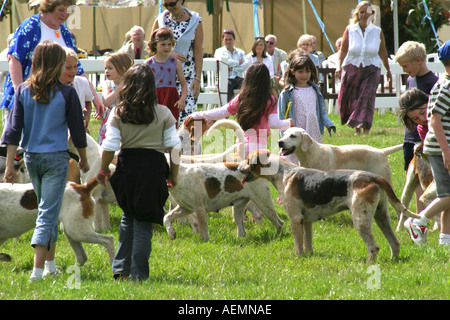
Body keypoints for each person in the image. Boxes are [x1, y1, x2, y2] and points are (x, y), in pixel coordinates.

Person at [1, 41, 89, 281]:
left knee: (47, 208)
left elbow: (12, 131)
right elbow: (77, 131)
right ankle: (37, 272)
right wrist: (83, 158)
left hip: (31, 158)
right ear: (58, 63)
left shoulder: (22, 91)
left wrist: (10, 165)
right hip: (56, 159)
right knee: (48, 213)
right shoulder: (67, 92)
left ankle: (50, 266)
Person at [96, 63, 181, 281]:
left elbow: (110, 146)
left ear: (127, 86)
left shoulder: (119, 112)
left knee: (128, 218)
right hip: (153, 171)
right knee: (143, 224)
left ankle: (121, 270)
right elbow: (174, 146)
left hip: (127, 170)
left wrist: (103, 170)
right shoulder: (163, 112)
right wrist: (174, 173)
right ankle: (139, 274)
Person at [0, 0, 104, 124]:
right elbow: (15, 59)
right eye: (61, 10)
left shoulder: (65, 34)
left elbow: (77, 69)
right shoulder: (30, 27)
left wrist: (95, 97)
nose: (65, 14)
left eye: (69, 10)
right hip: (26, 98)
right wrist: (20, 94)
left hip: (52, 104)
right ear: (48, 7)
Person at [183, 62, 293, 156]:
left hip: (240, 145)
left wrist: (197, 115)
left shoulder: (242, 97)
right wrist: (288, 123)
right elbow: (274, 124)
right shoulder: (270, 100)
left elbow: (221, 112)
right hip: (259, 148)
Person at [403, 41, 450, 246]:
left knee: (447, 195)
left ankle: (445, 240)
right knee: (448, 195)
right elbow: (434, 120)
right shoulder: (447, 86)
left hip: (441, 147)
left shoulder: (443, 82)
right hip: (441, 148)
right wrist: (446, 152)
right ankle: (418, 222)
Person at [395, 41, 439, 213]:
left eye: (405, 66)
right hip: (411, 136)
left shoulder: (433, 82)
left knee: (432, 178)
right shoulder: (410, 80)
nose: (404, 70)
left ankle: (430, 214)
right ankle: (419, 215)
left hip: (428, 138)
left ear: (418, 60)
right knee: (415, 178)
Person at [336, 1, 391, 135]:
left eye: (367, 12)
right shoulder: (350, 29)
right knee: (351, 98)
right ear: (357, 14)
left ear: (372, 14)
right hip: (352, 67)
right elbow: (343, 50)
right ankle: (357, 129)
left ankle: (365, 129)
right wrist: (338, 66)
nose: (364, 15)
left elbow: (383, 52)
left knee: (366, 98)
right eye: (361, 12)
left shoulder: (377, 31)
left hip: (371, 68)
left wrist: (388, 70)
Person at [152, 0, 203, 126]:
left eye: (172, 4)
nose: (169, 7)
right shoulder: (160, 20)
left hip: (188, 76)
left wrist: (197, 78)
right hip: (164, 79)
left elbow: (198, 51)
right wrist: (170, 54)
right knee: (165, 118)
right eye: (166, 4)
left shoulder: (195, 21)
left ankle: (189, 146)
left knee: (187, 119)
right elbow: (152, 48)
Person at [278, 55, 336, 164]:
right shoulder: (287, 92)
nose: (304, 75)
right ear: (292, 72)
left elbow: (321, 110)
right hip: (297, 127)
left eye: (307, 71)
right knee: (295, 155)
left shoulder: (315, 89)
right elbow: (281, 114)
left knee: (314, 155)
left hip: (312, 126)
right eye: (300, 71)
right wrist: (284, 134)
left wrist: (328, 123)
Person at [146, 27, 188, 124]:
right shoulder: (148, 64)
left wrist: (182, 100)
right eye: (163, 44)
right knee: (154, 125)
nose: (167, 47)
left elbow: (184, 85)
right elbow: (143, 86)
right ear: (155, 45)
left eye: (169, 44)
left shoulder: (175, 62)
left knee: (170, 126)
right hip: (154, 99)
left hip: (171, 99)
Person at [97, 52, 134, 145]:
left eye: (110, 68)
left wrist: (125, 84)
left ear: (122, 70)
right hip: (111, 118)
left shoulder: (131, 85)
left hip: (126, 118)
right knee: (109, 143)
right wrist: (120, 87)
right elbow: (107, 102)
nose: (106, 71)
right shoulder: (107, 84)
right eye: (105, 68)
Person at [61, 47, 94, 130]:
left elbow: (88, 103)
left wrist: (86, 118)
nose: (73, 71)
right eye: (68, 67)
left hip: (77, 127)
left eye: (75, 67)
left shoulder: (82, 82)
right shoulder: (53, 87)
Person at [214, 29, 249, 102]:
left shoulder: (240, 52)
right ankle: (227, 108)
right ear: (223, 40)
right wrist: (237, 63)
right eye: (226, 39)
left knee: (248, 85)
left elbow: (246, 64)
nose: (228, 42)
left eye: (230, 39)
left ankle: (244, 109)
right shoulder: (219, 51)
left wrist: (232, 68)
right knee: (227, 85)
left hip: (239, 77)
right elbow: (223, 62)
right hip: (226, 78)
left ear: (234, 39)